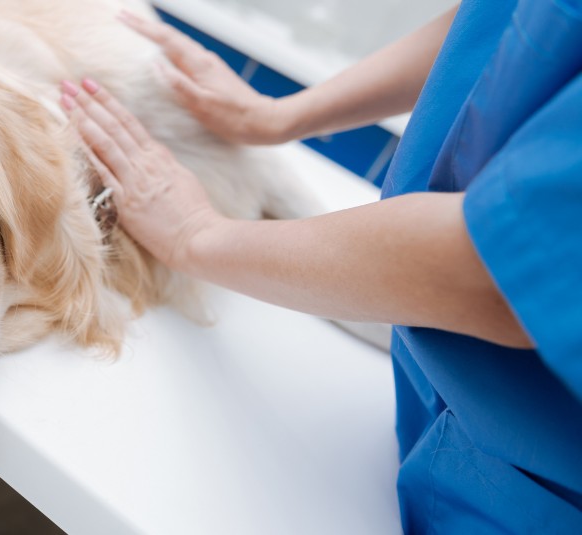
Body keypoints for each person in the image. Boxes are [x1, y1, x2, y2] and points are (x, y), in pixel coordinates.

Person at [59, 2, 582, 532]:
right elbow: (499, 20)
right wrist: (275, 115)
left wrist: (197, 234)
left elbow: (491, 270)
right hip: (445, 418)